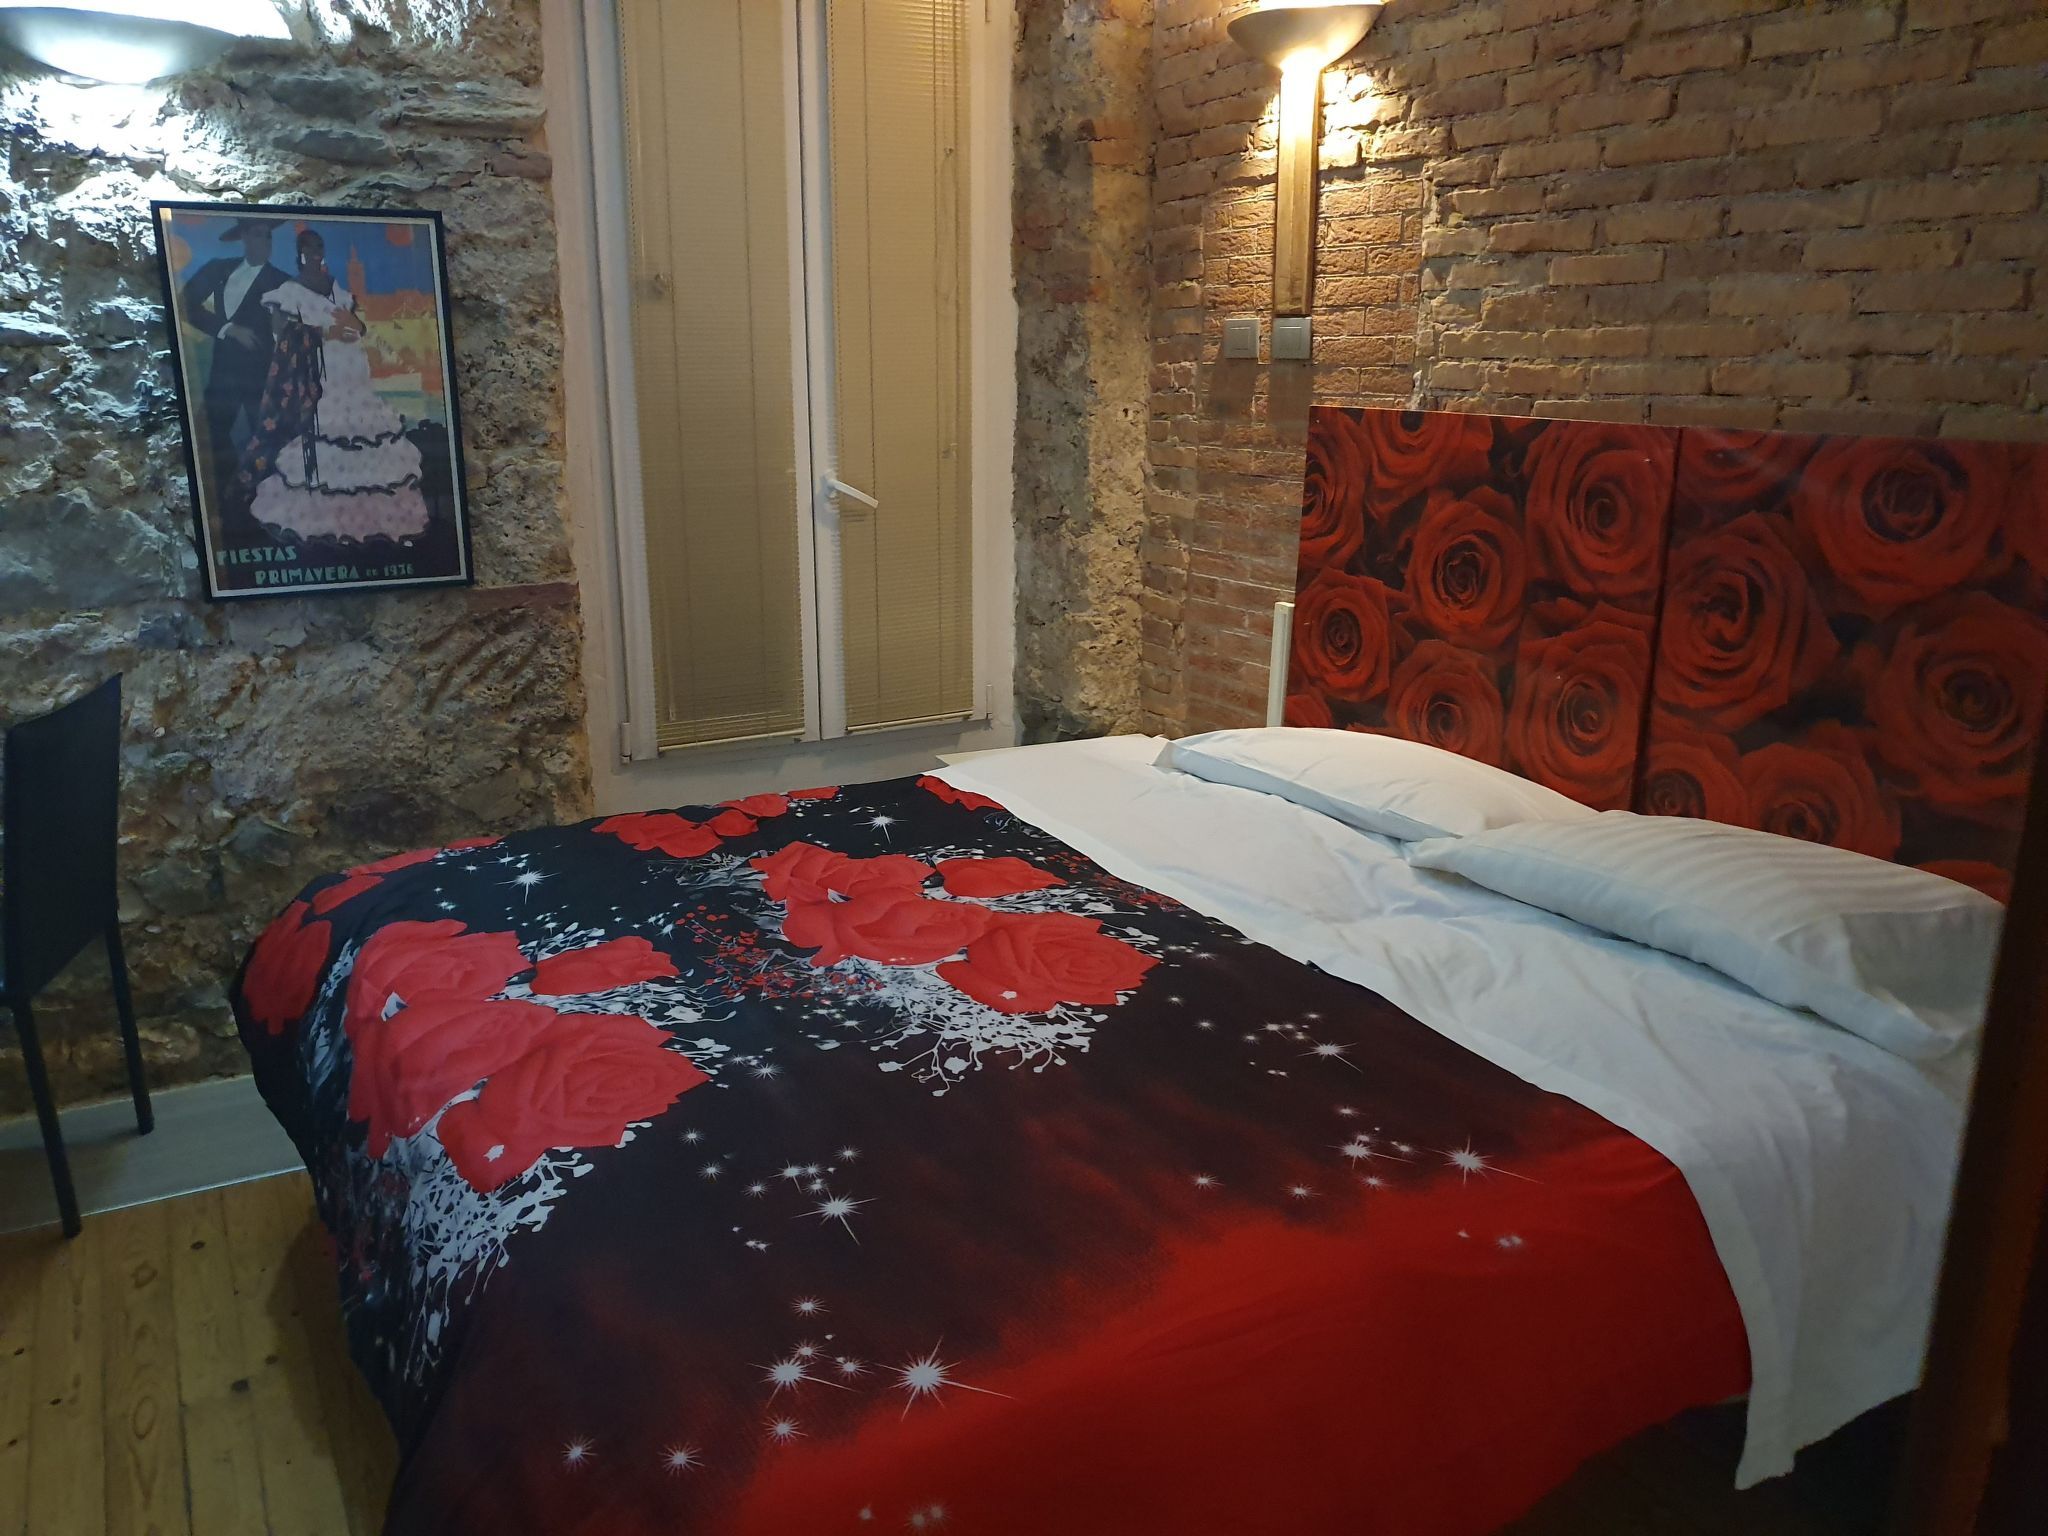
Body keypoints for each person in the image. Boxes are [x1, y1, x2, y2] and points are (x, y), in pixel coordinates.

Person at [235, 227, 431, 545]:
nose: (314, 253)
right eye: (308, 248)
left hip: (354, 378)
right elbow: (281, 337)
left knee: (365, 448)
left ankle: (369, 523)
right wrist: (325, 334)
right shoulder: (289, 292)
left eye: (319, 247)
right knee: (325, 448)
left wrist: (355, 326)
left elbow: (359, 328)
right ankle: (324, 524)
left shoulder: (338, 289)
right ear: (299, 254)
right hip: (319, 379)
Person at [177, 216, 290, 506]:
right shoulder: (218, 269)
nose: (265, 242)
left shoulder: (282, 282)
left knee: (266, 439)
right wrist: (228, 329)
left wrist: (279, 331)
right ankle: (229, 496)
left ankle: (267, 501)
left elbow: (292, 332)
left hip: (262, 376)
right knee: (209, 432)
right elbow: (184, 304)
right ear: (244, 237)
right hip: (223, 373)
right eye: (258, 234)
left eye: (269, 236)